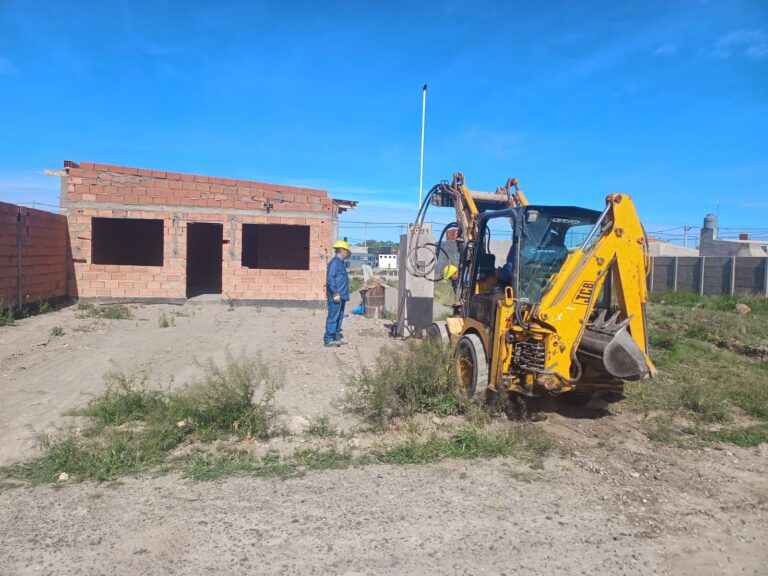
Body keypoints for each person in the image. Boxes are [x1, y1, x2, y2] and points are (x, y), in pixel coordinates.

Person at [324, 240, 351, 347]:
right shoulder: (335, 262)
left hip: (342, 295)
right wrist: (335, 293)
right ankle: (329, 339)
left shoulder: (341, 262)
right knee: (333, 316)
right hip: (336, 295)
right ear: (343, 250)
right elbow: (330, 279)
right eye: (347, 251)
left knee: (339, 316)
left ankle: (336, 336)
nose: (348, 253)